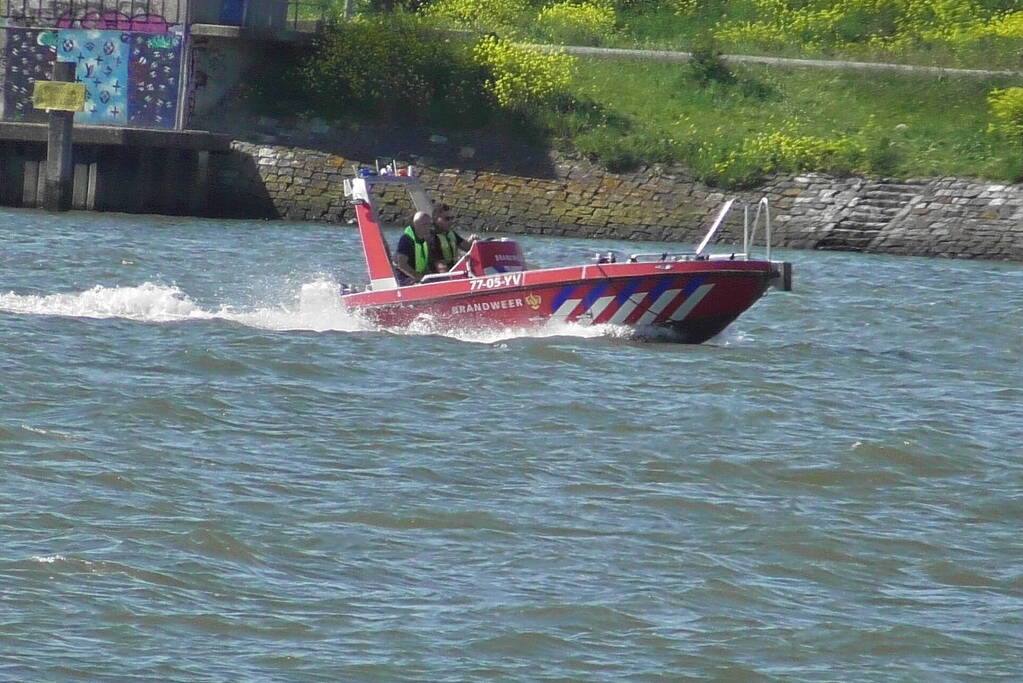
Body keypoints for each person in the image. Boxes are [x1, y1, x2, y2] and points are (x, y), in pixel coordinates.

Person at [393, 211, 437, 286]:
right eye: (425, 224)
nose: (428, 227)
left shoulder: (424, 240)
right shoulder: (406, 240)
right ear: (416, 225)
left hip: (416, 278)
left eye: (430, 224)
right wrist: (420, 278)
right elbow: (402, 265)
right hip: (404, 280)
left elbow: (424, 265)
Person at [432, 204, 479, 272]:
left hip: (453, 271)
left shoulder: (451, 234)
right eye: (447, 219)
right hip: (441, 274)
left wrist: (472, 241)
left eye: (452, 218)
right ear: (436, 219)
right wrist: (450, 275)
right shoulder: (432, 237)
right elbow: (439, 265)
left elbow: (467, 248)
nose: (451, 221)